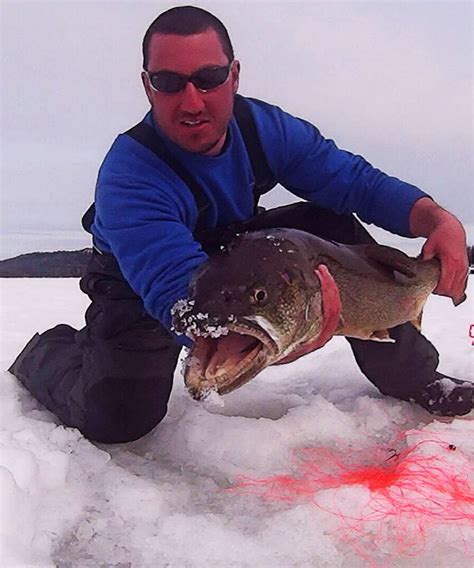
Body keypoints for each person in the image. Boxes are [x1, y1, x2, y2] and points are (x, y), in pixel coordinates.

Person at [9, 6, 472, 444]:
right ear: (148, 87)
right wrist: (276, 333)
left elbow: (354, 183)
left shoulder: (264, 128)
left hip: (232, 250)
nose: (192, 101)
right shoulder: (130, 176)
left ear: (233, 75)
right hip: (137, 278)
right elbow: (176, 288)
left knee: (330, 224)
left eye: (208, 79)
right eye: (170, 82)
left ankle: (415, 376)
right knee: (119, 416)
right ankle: (47, 354)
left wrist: (437, 219)